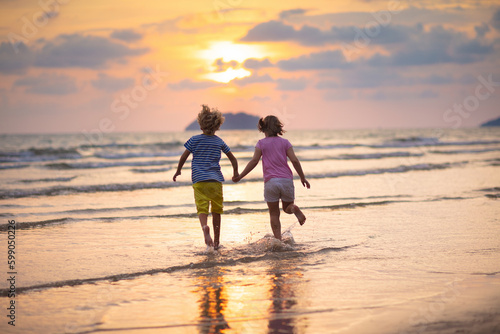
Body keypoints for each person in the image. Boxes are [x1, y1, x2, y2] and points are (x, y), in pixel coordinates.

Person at [233, 115, 310, 240]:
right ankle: (294, 208)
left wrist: (240, 176)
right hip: (286, 180)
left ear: (263, 128)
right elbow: (295, 160)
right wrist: (302, 177)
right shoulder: (285, 142)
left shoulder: (261, 144)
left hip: (270, 182)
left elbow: (253, 161)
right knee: (287, 207)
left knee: (274, 213)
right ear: (278, 127)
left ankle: (278, 240)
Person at [173, 105, 238, 250]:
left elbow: (184, 157)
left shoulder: (194, 140)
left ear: (200, 124)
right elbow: (233, 159)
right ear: (217, 125)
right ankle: (216, 242)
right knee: (217, 212)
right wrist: (235, 173)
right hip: (215, 181)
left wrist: (178, 171)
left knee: (202, 209)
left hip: (199, 181)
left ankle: (204, 228)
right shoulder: (219, 141)